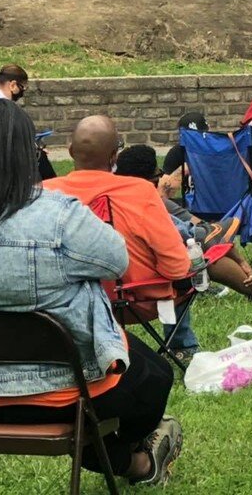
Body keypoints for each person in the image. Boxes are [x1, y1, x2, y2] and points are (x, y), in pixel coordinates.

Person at [0, 101, 183, 486]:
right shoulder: (60, 214)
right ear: (26, 154)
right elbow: (116, 262)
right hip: (69, 393)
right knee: (156, 377)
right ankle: (136, 464)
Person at [43, 116, 198, 362]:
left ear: (71, 151)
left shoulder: (43, 193)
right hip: (135, 300)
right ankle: (182, 346)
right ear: (115, 156)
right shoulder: (140, 190)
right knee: (188, 272)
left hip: (67, 304)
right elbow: (176, 264)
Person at [116, 145, 252, 302]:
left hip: (125, 276)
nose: (160, 180)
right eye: (157, 177)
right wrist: (241, 260)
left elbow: (190, 227)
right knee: (205, 254)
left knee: (204, 241)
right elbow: (192, 237)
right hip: (150, 278)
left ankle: (235, 278)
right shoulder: (147, 208)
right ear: (144, 181)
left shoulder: (116, 201)